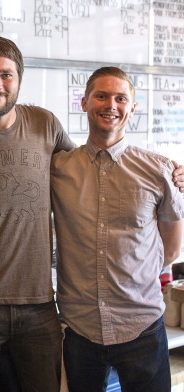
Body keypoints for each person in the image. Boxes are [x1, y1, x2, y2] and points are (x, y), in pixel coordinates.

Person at [0, 35, 184, 392]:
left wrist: (173, 175)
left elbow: (99, 173)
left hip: (44, 305)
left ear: (19, 80)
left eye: (5, 75)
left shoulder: (45, 125)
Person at [51, 66, 184, 392]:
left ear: (132, 108)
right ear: (84, 102)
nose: (111, 104)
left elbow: (172, 250)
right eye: (101, 96)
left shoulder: (161, 170)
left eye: (120, 98)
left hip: (142, 326)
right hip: (79, 329)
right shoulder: (58, 169)